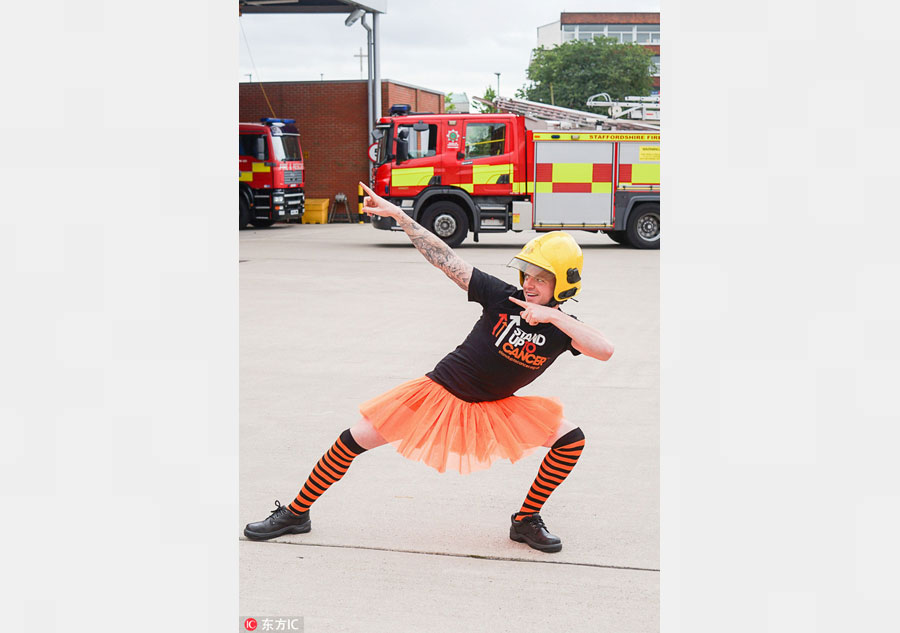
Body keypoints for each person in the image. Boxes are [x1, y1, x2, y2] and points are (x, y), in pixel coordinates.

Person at [244, 182, 614, 553]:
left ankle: (525, 520)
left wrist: (552, 317)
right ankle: (296, 513)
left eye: (541, 278)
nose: (530, 285)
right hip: (439, 392)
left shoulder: (564, 329)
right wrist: (402, 217)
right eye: (528, 275)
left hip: (495, 407)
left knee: (570, 439)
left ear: (562, 283)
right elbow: (445, 258)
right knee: (353, 438)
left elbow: (605, 350)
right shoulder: (503, 297)